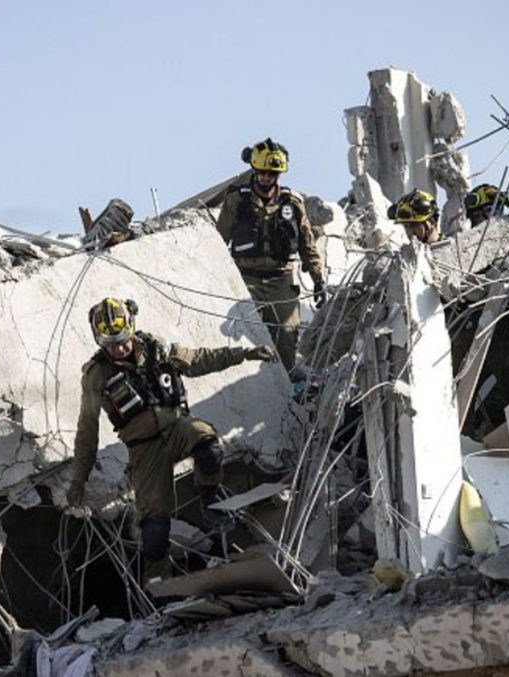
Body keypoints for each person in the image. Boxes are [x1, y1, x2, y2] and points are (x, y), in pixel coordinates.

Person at [67, 297, 277, 583]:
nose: (119, 349)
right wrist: (78, 480)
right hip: (144, 449)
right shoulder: (97, 375)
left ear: (131, 329)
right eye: (110, 345)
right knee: (154, 531)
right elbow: (87, 430)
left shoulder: (156, 348)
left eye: (122, 341)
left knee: (209, 447)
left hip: (177, 427)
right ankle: (158, 587)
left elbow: (199, 359)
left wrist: (245, 354)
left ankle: (210, 499)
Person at [216, 137, 325, 372]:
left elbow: (307, 244)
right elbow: (219, 240)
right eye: (262, 173)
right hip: (246, 278)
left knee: (286, 334)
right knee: (241, 332)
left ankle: (287, 382)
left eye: (272, 174)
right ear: (255, 171)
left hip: (281, 279)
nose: (266, 178)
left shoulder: (292, 203)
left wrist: (318, 279)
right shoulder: (237, 199)